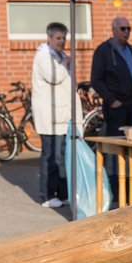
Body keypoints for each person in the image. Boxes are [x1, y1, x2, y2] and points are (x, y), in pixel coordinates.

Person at [90, 16, 132, 202]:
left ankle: (131, 187)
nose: (126, 31)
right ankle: (114, 186)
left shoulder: (131, 49)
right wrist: (111, 100)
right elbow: (96, 79)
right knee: (115, 147)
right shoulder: (104, 51)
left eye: (129, 28)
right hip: (116, 106)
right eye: (123, 28)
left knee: (131, 148)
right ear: (113, 30)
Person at [32, 22, 82, 209]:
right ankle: (47, 194)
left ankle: (62, 193)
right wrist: (65, 63)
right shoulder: (43, 57)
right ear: (49, 38)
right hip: (50, 116)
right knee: (51, 157)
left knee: (63, 157)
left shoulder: (61, 56)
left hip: (63, 115)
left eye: (64, 38)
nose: (62, 42)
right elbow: (54, 77)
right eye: (58, 38)